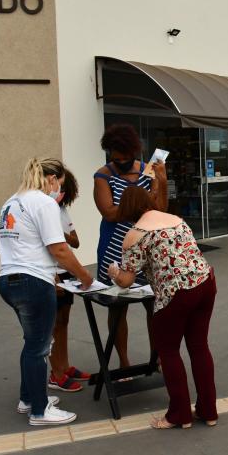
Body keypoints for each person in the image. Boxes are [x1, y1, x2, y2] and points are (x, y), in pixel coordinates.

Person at [108, 187, 217, 430]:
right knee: (199, 347)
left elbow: (126, 281)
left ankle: (179, 415)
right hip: (206, 282)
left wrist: (113, 272)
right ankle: (208, 411)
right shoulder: (176, 220)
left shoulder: (135, 234)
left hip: (176, 292)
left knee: (168, 351)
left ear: (126, 209)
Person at [0, 158, 94, 426]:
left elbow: (23, 245)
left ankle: (27, 399)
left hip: (9, 280)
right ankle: (40, 411)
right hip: (33, 283)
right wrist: (85, 277)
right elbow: (60, 248)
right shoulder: (44, 203)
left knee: (32, 343)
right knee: (39, 348)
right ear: (51, 180)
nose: (59, 191)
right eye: (59, 185)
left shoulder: (12, 202)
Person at [93, 124, 168, 369]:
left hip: (147, 248)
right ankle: (123, 363)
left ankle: (154, 360)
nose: (123, 162)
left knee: (153, 305)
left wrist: (162, 183)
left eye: (127, 157)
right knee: (117, 308)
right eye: (117, 158)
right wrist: (143, 204)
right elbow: (109, 213)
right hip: (115, 248)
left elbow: (161, 210)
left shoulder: (149, 170)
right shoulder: (103, 176)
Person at [48, 168, 92, 392]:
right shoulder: (44, 210)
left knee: (64, 320)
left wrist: (59, 233)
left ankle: (64, 366)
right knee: (52, 324)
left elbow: (75, 242)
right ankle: (54, 374)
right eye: (59, 187)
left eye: (65, 189)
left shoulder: (62, 211)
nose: (61, 193)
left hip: (66, 271)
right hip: (51, 272)